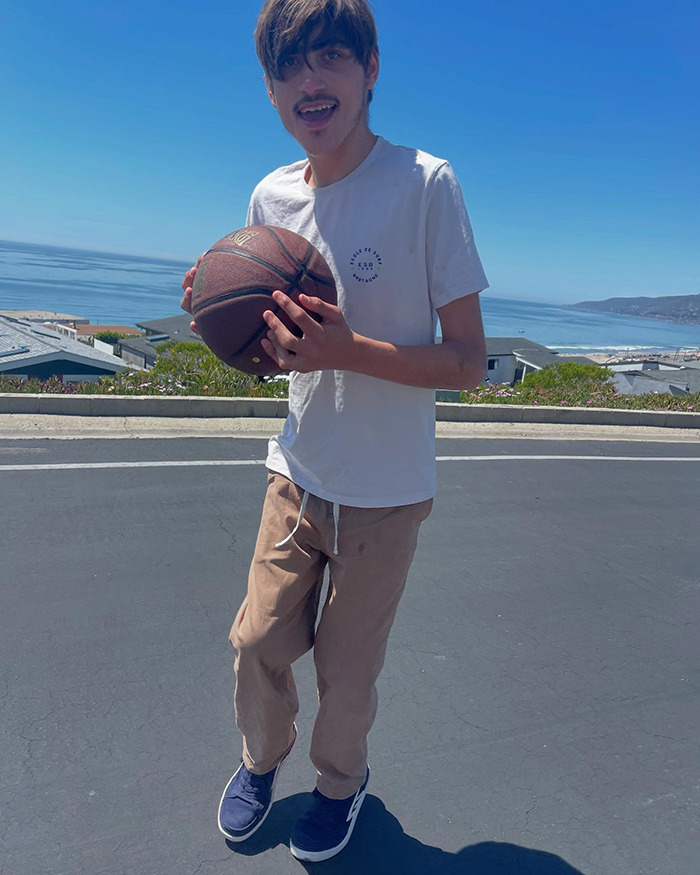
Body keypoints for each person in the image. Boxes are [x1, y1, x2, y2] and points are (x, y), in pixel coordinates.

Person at [180, 0, 488, 862]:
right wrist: (221, 313)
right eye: (288, 67)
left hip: (387, 491)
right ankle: (260, 758)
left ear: (371, 68)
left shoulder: (424, 184)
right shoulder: (270, 196)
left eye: (329, 59)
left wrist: (349, 349)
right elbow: (275, 352)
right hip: (299, 468)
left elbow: (467, 360)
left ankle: (339, 784)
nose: (309, 82)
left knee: (347, 679)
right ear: (271, 88)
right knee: (256, 643)